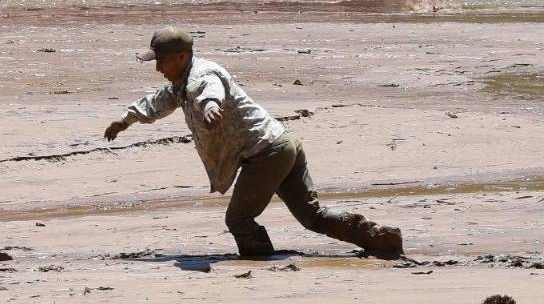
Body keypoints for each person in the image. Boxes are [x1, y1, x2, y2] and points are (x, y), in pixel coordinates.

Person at [104, 27, 403, 258]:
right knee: (313, 217)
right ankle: (380, 238)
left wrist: (210, 106)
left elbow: (210, 89)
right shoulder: (182, 83)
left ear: (182, 57)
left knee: (238, 218)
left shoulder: (202, 74)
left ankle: (260, 263)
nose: (158, 68)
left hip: (267, 154)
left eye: (162, 61)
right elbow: (160, 100)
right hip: (282, 144)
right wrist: (126, 119)